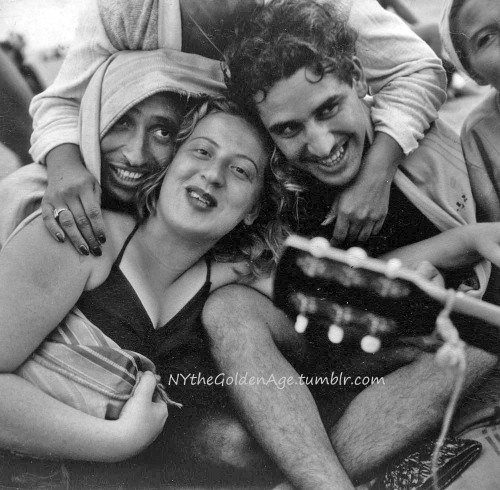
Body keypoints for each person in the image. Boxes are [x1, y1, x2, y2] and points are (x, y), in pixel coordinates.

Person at [189, 0, 498, 487]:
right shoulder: (278, 192)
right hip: (341, 355)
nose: (319, 144)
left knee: (477, 338)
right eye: (289, 129)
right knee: (228, 312)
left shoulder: (426, 145)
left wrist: (460, 246)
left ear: (357, 78)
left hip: (437, 354)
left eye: (328, 109)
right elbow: (315, 290)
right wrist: (457, 245)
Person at [0, 50, 300, 487]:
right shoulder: (76, 236)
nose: (213, 175)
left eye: (239, 170)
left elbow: (319, 294)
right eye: (201, 151)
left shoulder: (231, 277)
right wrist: (117, 440)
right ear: (170, 166)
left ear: (255, 208)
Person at [28, 0, 446, 254]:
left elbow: (417, 67)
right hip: (172, 173)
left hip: (280, 178)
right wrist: (65, 168)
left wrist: (376, 173)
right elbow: (63, 101)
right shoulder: (127, 9)